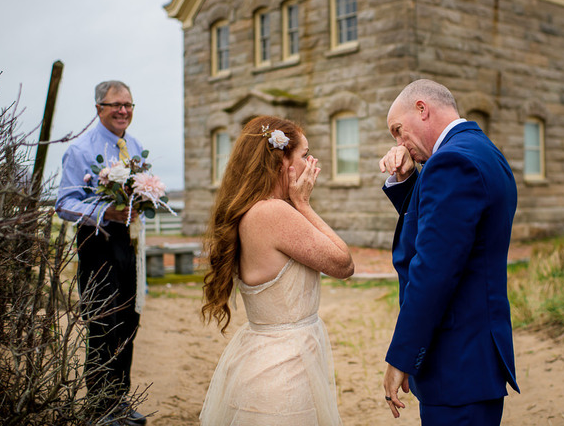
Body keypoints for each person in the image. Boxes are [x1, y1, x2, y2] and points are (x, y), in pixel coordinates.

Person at [379, 79, 519, 425]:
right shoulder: (481, 151)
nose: (398, 143)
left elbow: (433, 271)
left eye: (398, 130)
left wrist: (402, 357)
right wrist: (407, 182)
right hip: (476, 357)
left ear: (422, 109)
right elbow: (443, 233)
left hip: (456, 362)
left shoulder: (451, 163)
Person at [200, 115, 354, 425]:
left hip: (269, 360)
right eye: (305, 154)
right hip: (284, 371)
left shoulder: (255, 209)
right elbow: (343, 263)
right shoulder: (273, 212)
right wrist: (304, 204)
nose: (312, 163)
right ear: (283, 161)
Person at [56, 80, 147, 426]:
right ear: (99, 108)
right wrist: (102, 213)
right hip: (96, 245)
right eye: (115, 105)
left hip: (130, 245)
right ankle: (99, 406)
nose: (123, 111)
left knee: (129, 322)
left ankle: (120, 401)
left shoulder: (134, 146)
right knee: (102, 324)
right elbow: (64, 204)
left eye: (128, 105)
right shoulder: (80, 150)